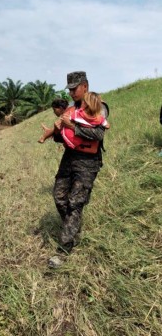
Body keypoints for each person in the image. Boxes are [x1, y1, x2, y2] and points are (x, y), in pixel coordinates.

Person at [52, 71, 109, 254]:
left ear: (85, 86)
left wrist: (73, 127)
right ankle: (73, 228)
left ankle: (64, 248)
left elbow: (99, 134)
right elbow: (60, 139)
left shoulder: (98, 106)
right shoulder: (70, 109)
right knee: (59, 197)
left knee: (75, 202)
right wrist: (57, 130)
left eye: (74, 89)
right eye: (69, 90)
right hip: (69, 159)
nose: (71, 93)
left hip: (88, 162)